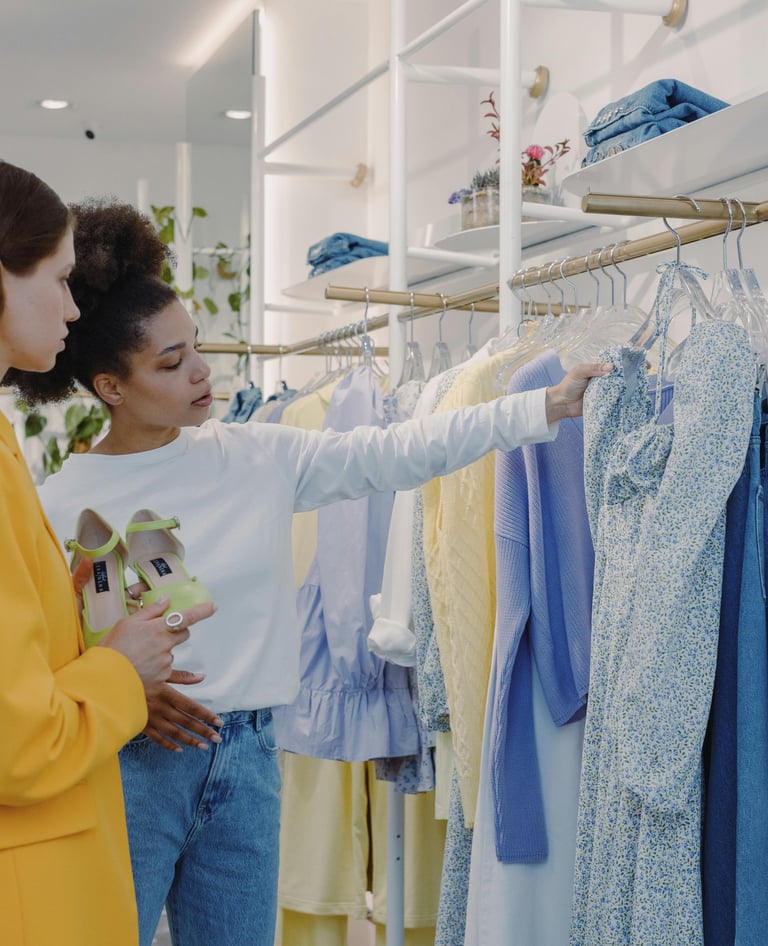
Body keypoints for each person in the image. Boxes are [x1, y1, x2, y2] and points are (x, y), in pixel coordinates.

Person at [20, 196, 610, 946]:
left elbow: (400, 450)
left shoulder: (258, 457)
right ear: (111, 387)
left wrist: (540, 407)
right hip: (129, 763)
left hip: (251, 760)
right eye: (172, 363)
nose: (204, 373)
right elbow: (44, 653)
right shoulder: (58, 502)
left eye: (198, 347)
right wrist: (123, 685)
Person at [0, 164, 216, 946]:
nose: (69, 307)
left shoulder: (6, 443)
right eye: (57, 281)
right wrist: (123, 667)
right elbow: (19, 742)